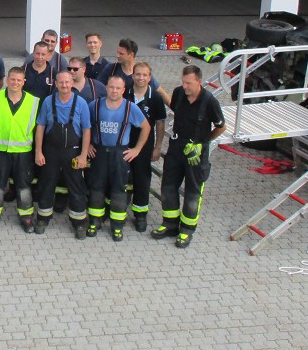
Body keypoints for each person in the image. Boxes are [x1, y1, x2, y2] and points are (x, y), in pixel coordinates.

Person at [152, 64, 226, 248]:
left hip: (196, 154)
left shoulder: (209, 101)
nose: (184, 86)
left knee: (192, 193)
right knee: (168, 187)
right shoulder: (179, 93)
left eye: (189, 83)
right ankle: (170, 224)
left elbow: (221, 127)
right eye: (183, 82)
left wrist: (203, 142)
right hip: (176, 148)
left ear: (199, 82)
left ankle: (187, 229)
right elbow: (174, 108)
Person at [86, 75, 149, 241]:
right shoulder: (95, 105)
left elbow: (146, 127)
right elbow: (85, 126)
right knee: (96, 188)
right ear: (106, 88)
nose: (114, 91)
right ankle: (94, 222)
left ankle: (117, 226)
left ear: (123, 90)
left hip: (119, 154)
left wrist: (137, 149)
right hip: (98, 153)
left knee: (119, 190)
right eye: (111, 87)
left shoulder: (130, 108)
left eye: (117, 88)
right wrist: (88, 145)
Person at [34, 70, 91, 238]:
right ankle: (43, 218)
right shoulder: (48, 101)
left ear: (72, 83)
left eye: (67, 82)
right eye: (61, 82)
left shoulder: (81, 103)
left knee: (76, 186)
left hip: (73, 151)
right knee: (46, 184)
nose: (64, 85)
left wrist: (83, 155)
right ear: (56, 84)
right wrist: (38, 151)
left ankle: (79, 222)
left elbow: (87, 130)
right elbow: (40, 127)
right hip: (50, 151)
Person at [0, 66, 39, 233]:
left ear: (24, 82)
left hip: (23, 152)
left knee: (23, 185)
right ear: (7, 80)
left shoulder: (33, 101)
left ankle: (26, 217)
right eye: (12, 79)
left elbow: (37, 127)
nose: (15, 82)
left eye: (18, 80)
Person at [128, 61, 167, 232]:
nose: (141, 78)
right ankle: (117, 207)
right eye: (138, 74)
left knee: (142, 178)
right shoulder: (125, 92)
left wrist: (157, 147)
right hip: (125, 142)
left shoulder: (155, 97)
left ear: (150, 77)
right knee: (121, 175)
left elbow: (160, 122)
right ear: (132, 75)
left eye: (144, 75)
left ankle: (140, 214)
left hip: (145, 145)